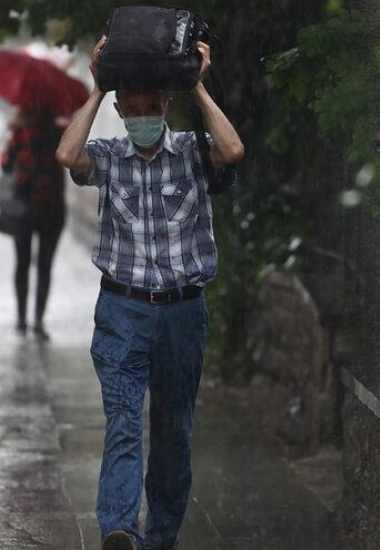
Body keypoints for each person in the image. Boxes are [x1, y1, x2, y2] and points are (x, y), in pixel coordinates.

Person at [55, 35, 244, 550]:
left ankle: (160, 538)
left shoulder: (191, 154)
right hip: (122, 310)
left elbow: (232, 150)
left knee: (173, 432)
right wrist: (97, 90)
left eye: (150, 108)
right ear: (121, 108)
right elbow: (66, 154)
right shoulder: (109, 156)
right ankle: (119, 529)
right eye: (131, 109)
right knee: (122, 423)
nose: (141, 117)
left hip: (183, 315)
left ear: (165, 106)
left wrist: (197, 85)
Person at [1, 106, 65, 339]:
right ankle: (35, 320)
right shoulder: (59, 131)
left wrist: (16, 135)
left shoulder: (21, 131)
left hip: (27, 207)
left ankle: (23, 320)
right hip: (50, 207)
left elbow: (6, 164)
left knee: (24, 263)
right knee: (43, 266)